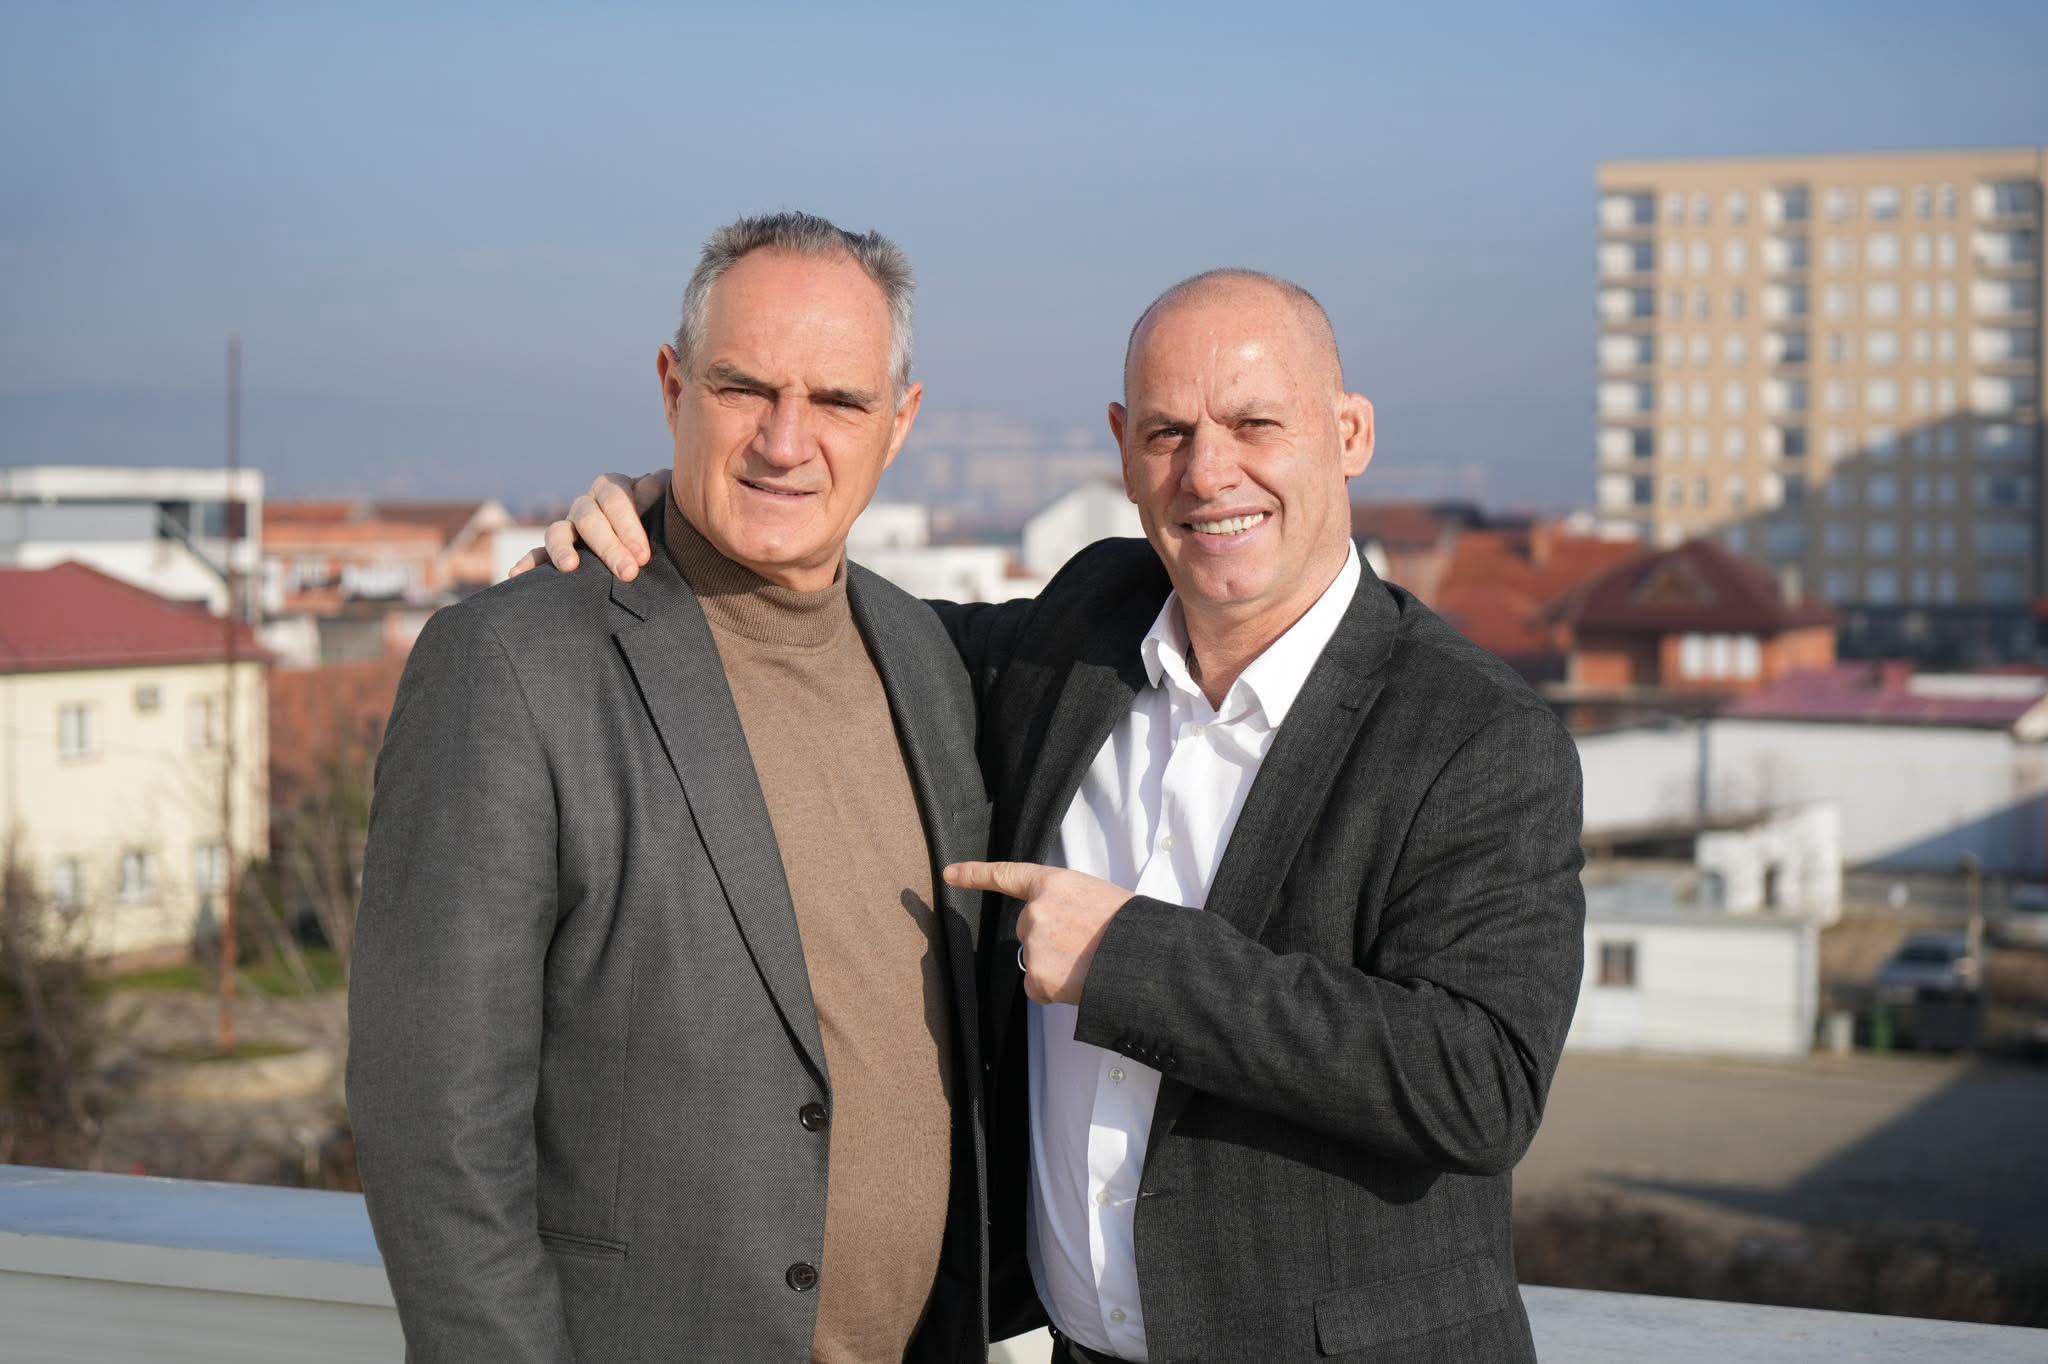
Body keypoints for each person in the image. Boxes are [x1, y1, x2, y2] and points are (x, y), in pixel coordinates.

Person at [526, 268, 1586, 1362]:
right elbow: (834, 633)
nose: (1207, 471)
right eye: (1167, 433)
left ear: (1349, 433)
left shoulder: (1473, 732)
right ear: (1123, 448)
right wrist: (683, 519)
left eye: (1254, 424)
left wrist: (1129, 960)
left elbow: (1480, 1081)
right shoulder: (1084, 630)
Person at [349, 211, 993, 1363]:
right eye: (744, 387)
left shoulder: (928, 660)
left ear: (898, 423)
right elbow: (433, 1126)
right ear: (672, 387)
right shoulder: (513, 663)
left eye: (837, 401)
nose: (784, 441)